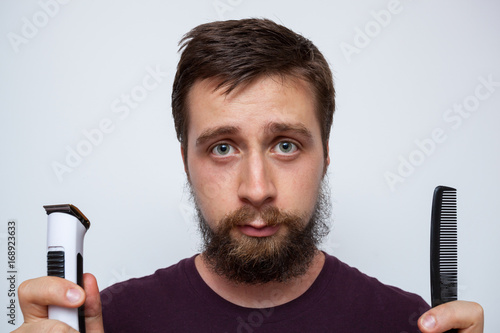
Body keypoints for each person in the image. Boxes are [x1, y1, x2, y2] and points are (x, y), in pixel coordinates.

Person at [14, 19, 483, 332]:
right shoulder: (106, 323)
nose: (256, 189)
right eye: (222, 147)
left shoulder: (409, 323)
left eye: (285, 145)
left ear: (325, 156)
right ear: (185, 162)